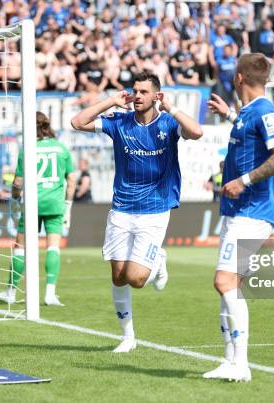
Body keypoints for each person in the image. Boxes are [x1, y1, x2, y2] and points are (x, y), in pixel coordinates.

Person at [70, 72, 203, 353]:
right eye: (135, 91)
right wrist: (109, 101)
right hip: (121, 208)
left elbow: (196, 132)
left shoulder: (167, 122)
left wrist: (173, 108)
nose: (137, 96)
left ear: (157, 95)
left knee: (137, 279)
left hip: (155, 209)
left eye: (144, 91)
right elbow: (77, 122)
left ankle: (158, 259)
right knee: (118, 276)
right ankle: (128, 337)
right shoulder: (120, 122)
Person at [203, 53, 274, 382]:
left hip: (253, 213)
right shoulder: (247, 113)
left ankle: (241, 363)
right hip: (237, 212)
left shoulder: (266, 111)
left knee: (224, 281)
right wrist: (229, 115)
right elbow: (249, 134)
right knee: (230, 285)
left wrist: (245, 180)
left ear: (239, 77)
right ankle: (229, 360)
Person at [0, 112, 76, 306]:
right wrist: (68, 206)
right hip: (55, 203)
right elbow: (71, 179)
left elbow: (18, 181)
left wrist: (14, 201)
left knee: (20, 247)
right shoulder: (61, 148)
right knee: (53, 246)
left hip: (32, 203)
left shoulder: (28, 149)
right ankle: (50, 294)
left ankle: (10, 292)